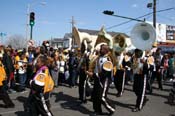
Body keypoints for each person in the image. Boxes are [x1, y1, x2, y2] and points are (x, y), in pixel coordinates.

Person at [86, 44, 115, 115]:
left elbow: (104, 73)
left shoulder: (108, 59)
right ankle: (97, 111)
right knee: (95, 96)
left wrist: (93, 74)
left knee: (102, 97)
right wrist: (91, 72)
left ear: (105, 50)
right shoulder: (99, 57)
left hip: (104, 80)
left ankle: (112, 108)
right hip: (97, 79)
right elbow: (95, 68)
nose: (99, 50)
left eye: (101, 49)